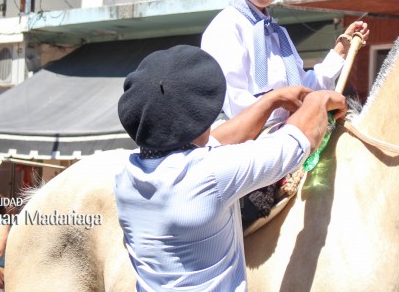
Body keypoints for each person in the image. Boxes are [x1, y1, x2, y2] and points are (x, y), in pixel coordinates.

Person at [114, 45, 347, 291]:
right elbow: (295, 141)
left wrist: (271, 100)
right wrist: (319, 99)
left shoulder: (126, 175)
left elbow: (214, 141)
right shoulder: (213, 174)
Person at [201, 0, 368, 126]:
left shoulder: (279, 34)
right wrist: (281, 114)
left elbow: (305, 88)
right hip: (244, 137)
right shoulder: (226, 26)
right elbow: (234, 101)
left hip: (284, 131)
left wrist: (341, 51)